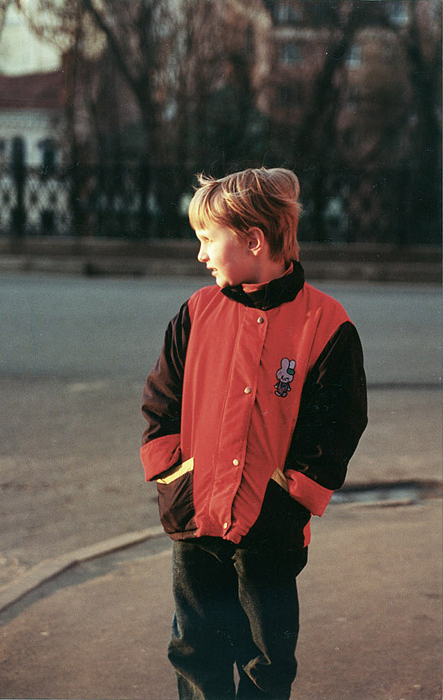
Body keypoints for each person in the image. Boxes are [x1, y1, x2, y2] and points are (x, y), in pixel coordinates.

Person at [140, 167, 367, 700]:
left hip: (270, 530)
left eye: (207, 239)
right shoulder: (197, 312)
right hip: (196, 518)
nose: (200, 254)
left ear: (253, 241)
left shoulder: (326, 323)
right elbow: (161, 401)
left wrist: (290, 500)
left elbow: (337, 426)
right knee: (196, 651)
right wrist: (173, 478)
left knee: (267, 660)